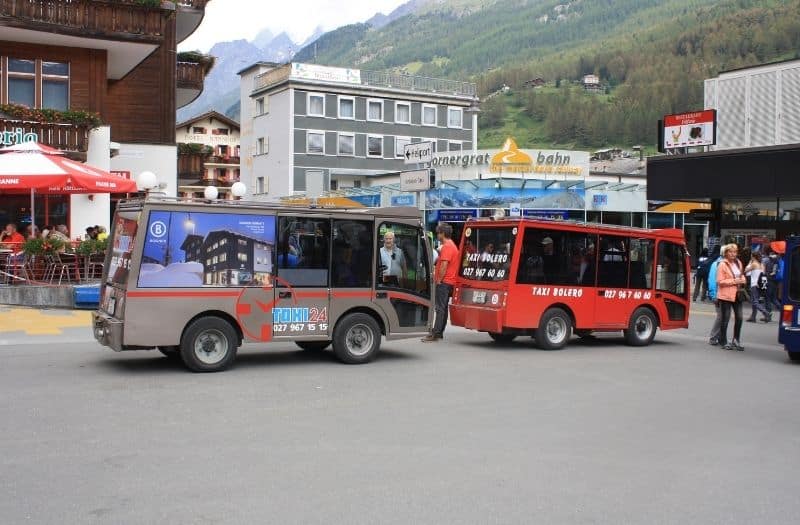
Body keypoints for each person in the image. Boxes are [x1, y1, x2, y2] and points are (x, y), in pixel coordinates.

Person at [423, 222, 458, 342]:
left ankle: (436, 333)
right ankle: (439, 332)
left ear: (442, 234)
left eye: (438, 233)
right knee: (443, 307)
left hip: (444, 282)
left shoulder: (447, 246)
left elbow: (444, 265)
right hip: (449, 282)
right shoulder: (451, 245)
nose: (437, 235)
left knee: (439, 308)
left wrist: (439, 280)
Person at [716, 243, 746, 351]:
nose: (733, 254)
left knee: (740, 317)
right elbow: (719, 281)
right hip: (725, 295)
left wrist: (743, 279)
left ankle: (736, 340)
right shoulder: (722, 264)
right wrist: (734, 281)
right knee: (726, 318)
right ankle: (723, 340)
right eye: (731, 252)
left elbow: (742, 275)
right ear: (726, 253)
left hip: (737, 294)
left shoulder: (738, 263)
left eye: (735, 252)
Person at [745, 252, 771, 323]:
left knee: (755, 302)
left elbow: (746, 271)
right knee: (754, 301)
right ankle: (753, 317)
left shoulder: (753, 264)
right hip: (760, 284)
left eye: (751, 256)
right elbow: (763, 274)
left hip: (754, 284)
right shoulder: (761, 265)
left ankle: (766, 313)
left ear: (753, 257)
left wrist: (750, 262)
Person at [706, 247, 723, 346]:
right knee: (721, 316)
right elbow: (712, 280)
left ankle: (720, 337)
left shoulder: (731, 263)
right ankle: (713, 337)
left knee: (725, 316)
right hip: (718, 294)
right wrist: (713, 295)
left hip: (727, 295)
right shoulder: (716, 264)